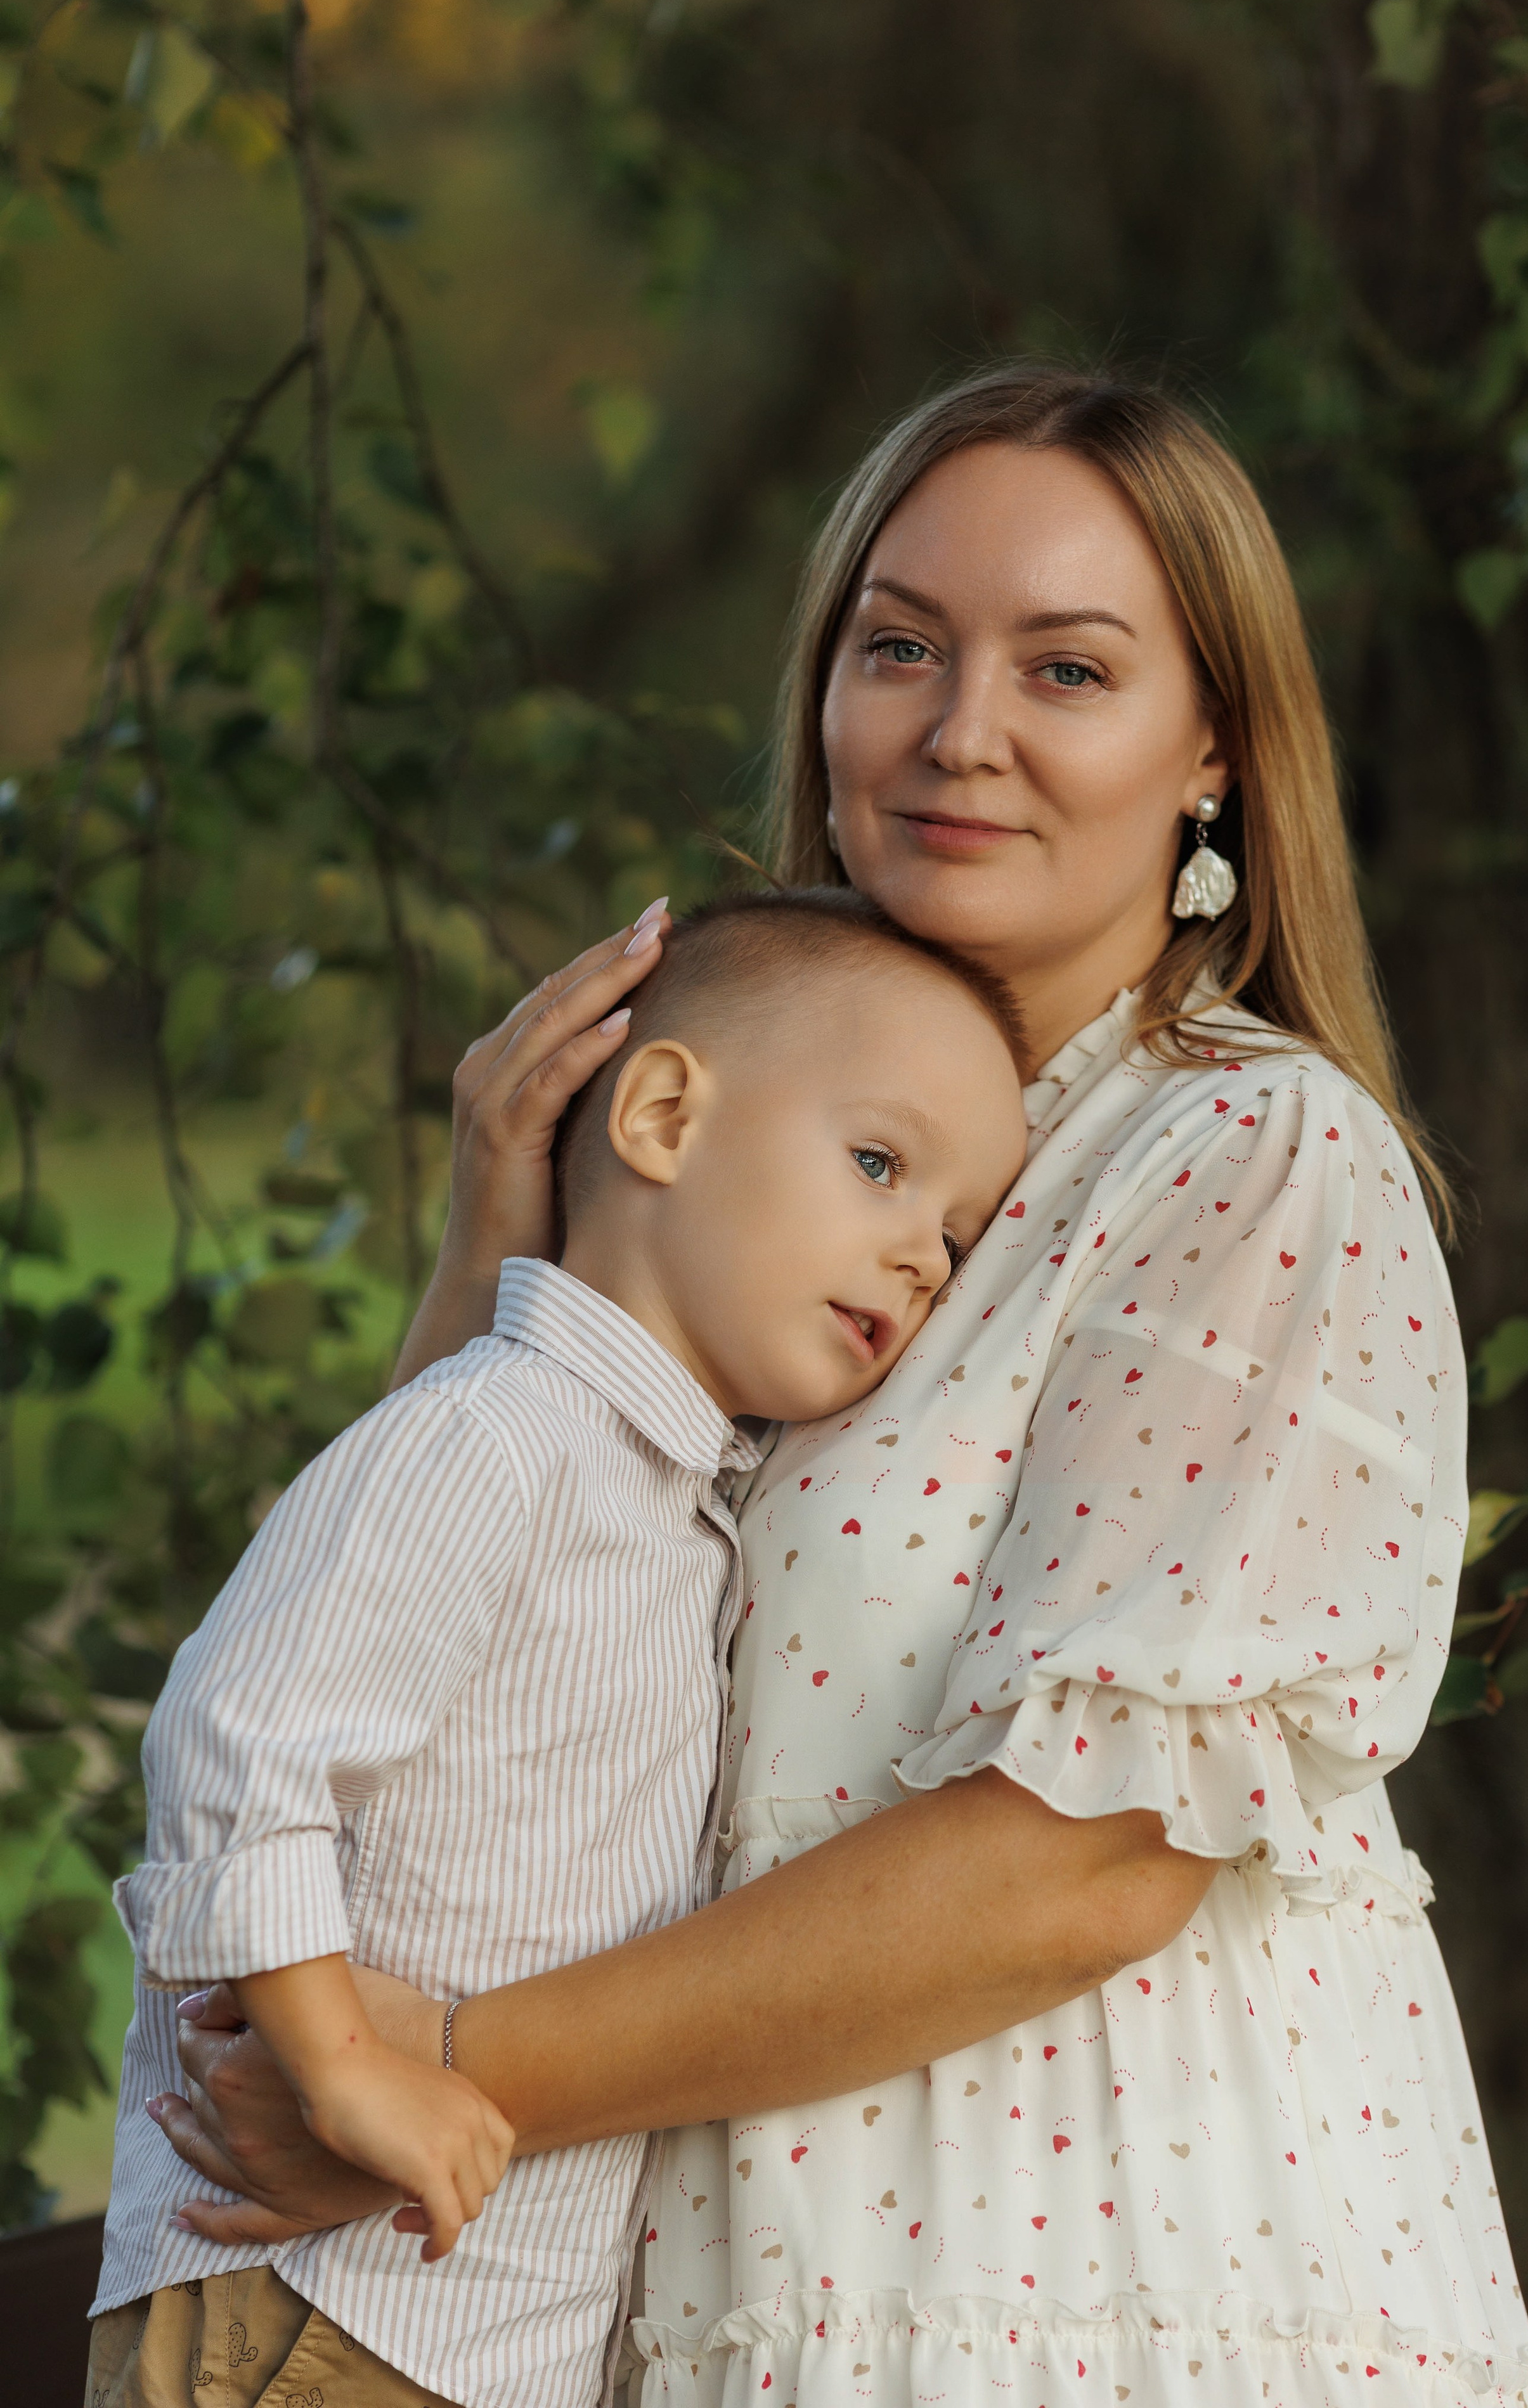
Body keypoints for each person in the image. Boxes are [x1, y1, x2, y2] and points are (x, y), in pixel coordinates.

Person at [152, 364, 1528, 2408]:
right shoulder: (761, 1131)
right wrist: (495, 1241)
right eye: (900, 645)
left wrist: (431, 2073)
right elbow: (430, 1618)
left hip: (1086, 2280)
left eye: (1067, 670)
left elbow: (1089, 1852)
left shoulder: (1249, 1161)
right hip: (722, 2259)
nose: (957, 729)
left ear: (1214, 760)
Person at [87, 891, 1030, 2408]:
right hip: (315, 2302)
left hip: (478, 2327)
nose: (920, 1255)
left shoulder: (667, 1505)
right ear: (660, 1115)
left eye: (954, 1233)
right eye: (877, 1164)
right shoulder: (493, 1434)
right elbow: (236, 1734)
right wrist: (342, 2066)